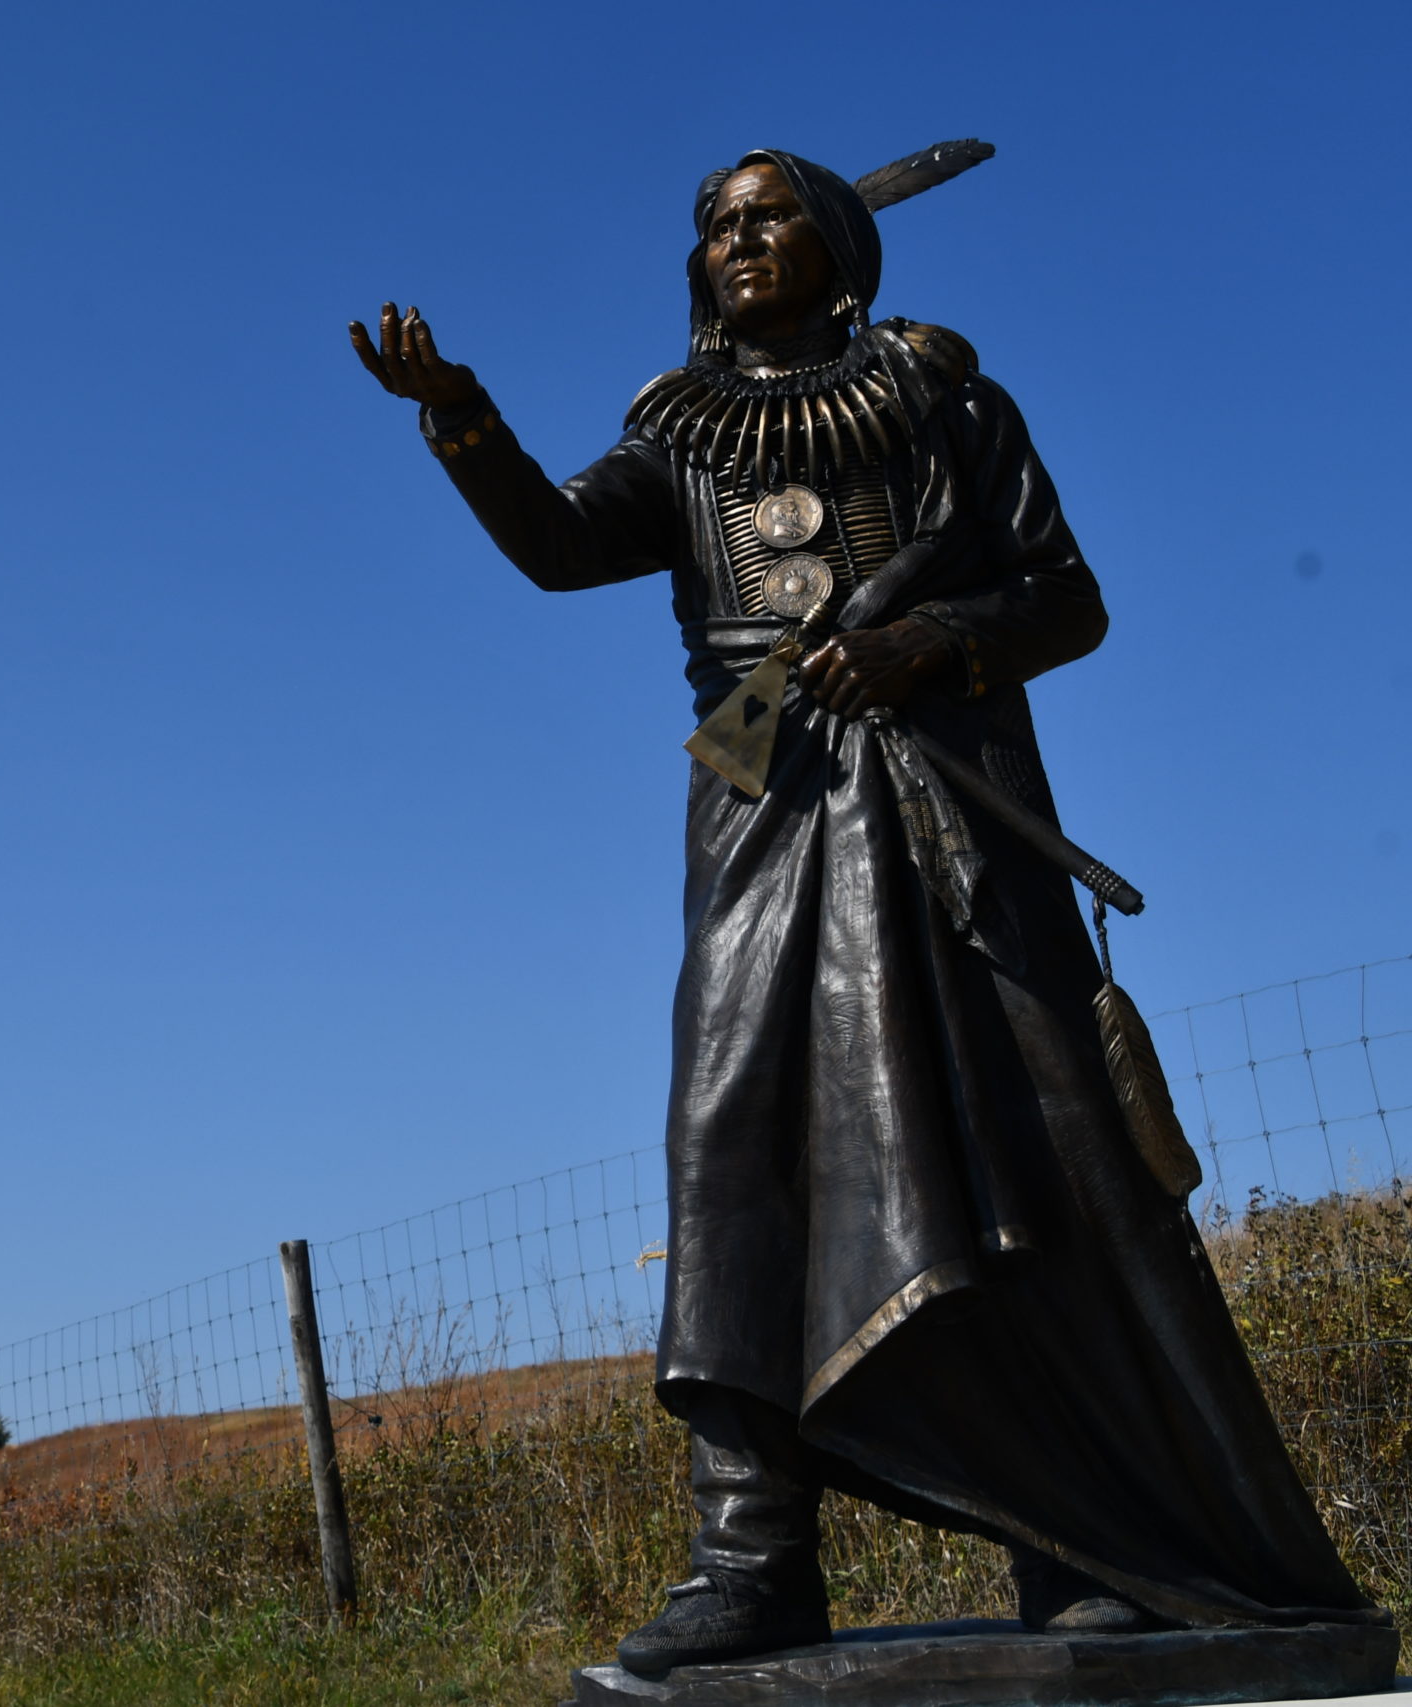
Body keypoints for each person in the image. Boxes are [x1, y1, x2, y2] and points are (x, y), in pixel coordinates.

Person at [349, 149, 1381, 1675]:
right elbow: (562, 551)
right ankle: (750, 1558)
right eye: (712, 224)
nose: (735, 239)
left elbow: (1066, 597)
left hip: (941, 792)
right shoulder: (679, 432)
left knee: (1002, 1138)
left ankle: (1073, 1541)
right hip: (758, 775)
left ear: (837, 243)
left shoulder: (947, 406)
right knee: (731, 1134)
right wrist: (462, 414)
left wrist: (930, 642)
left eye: (766, 216)